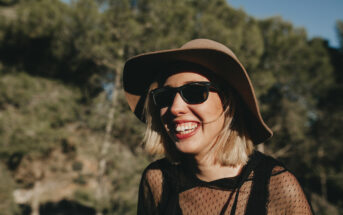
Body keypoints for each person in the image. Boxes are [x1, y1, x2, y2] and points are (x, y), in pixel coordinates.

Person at [123, 39, 313, 215]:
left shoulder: (276, 186)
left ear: (228, 103)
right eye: (165, 96)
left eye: (195, 92)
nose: (174, 108)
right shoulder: (158, 180)